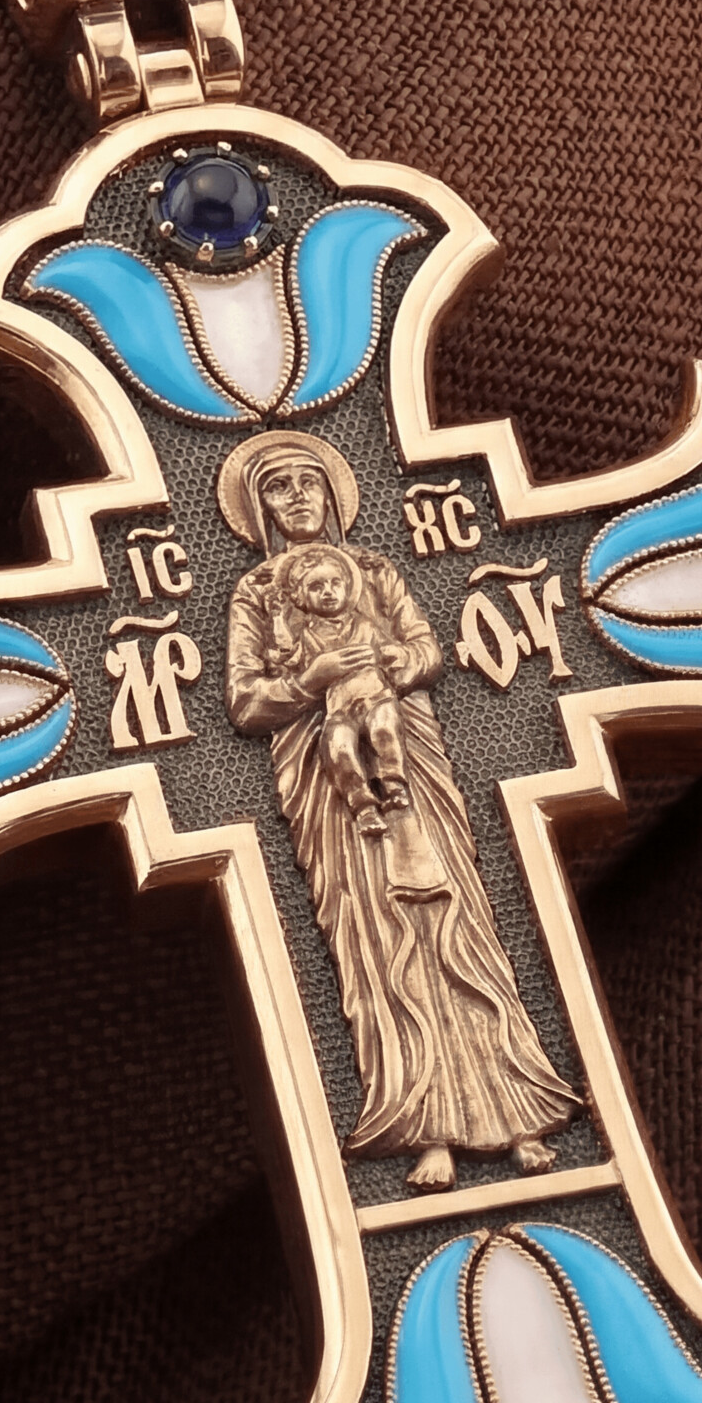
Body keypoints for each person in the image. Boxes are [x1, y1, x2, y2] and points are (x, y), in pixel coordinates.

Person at [220, 432, 581, 1192]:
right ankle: (424, 1126)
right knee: (378, 938)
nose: (297, 497)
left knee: (456, 921)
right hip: (330, 789)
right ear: (258, 507)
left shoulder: (377, 570)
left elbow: (426, 652)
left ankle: (518, 1110)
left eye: (308, 481)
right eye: (279, 487)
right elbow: (246, 703)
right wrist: (312, 679)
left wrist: (393, 661)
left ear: (332, 491)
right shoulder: (255, 593)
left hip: (409, 762)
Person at [271, 542, 411, 833]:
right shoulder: (307, 637)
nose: (328, 591)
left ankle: (394, 785)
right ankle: (363, 807)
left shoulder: (364, 625)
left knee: (385, 729)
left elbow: (390, 650)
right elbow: (289, 658)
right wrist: (276, 619)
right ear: (301, 598)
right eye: (316, 586)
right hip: (340, 710)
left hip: (376, 697)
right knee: (339, 749)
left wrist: (388, 655)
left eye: (335, 583)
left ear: (348, 588)